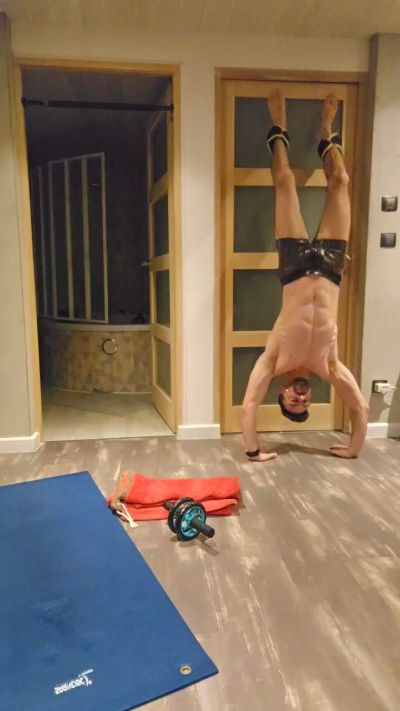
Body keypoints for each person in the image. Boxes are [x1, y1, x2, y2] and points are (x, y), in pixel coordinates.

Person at [241, 90, 369, 463]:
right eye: (304, 403)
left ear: (281, 393)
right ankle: (326, 133)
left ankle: (278, 123)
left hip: (294, 266)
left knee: (284, 181)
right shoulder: (329, 365)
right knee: (341, 180)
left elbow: (249, 405)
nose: (300, 398)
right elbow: (360, 407)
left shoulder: (274, 360)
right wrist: (353, 449)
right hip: (331, 267)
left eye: (292, 402)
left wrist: (253, 452)